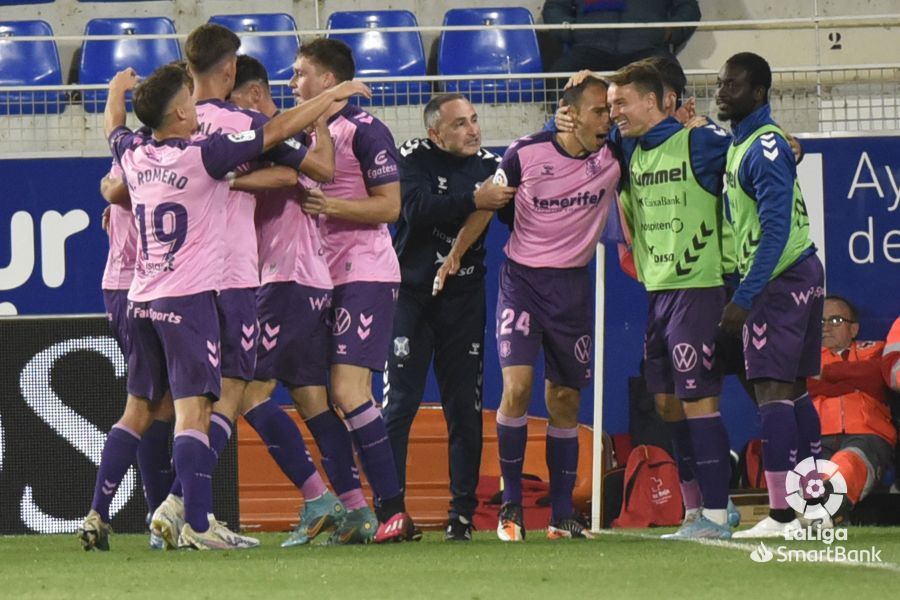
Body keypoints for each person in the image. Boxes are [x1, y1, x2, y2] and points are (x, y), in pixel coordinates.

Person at [76, 63, 370, 552]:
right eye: (189, 102)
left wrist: (114, 90)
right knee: (195, 414)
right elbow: (278, 128)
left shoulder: (133, 151)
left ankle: (97, 514)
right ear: (180, 112)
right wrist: (329, 96)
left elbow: (114, 127)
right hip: (189, 299)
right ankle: (198, 522)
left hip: (142, 299)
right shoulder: (205, 156)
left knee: (140, 409)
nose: (197, 109)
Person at [150, 25, 338, 550]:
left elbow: (119, 185)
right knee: (233, 397)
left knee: (188, 406)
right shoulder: (244, 124)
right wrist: (321, 114)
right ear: (230, 69)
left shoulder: (168, 125)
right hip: (234, 278)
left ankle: (179, 508)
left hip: (176, 284)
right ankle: (187, 511)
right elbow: (318, 170)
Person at [435, 76, 619, 542]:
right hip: (522, 283)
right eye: (599, 111)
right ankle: (510, 506)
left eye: (609, 111)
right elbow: (488, 202)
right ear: (570, 114)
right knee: (517, 388)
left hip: (571, 288)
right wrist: (456, 252)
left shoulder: (615, 155)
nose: (608, 120)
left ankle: (562, 515)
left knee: (565, 398)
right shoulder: (524, 152)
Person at [291, 38, 419, 543]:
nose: (292, 82)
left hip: (364, 270)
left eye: (300, 73)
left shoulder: (366, 129)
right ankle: (359, 511)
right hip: (318, 275)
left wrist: (331, 207)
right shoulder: (302, 130)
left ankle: (394, 510)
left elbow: (390, 207)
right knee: (318, 395)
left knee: (349, 391)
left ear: (328, 81)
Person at [604, 61, 736, 539]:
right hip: (657, 292)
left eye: (622, 103)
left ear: (654, 101)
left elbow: (747, 153)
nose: (614, 112)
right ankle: (695, 509)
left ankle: (717, 514)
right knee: (666, 403)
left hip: (699, 287)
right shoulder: (628, 148)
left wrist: (786, 142)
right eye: (611, 105)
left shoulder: (698, 141)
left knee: (698, 399)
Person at [226, 54, 350, 547]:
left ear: (253, 94)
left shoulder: (271, 133)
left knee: (249, 394)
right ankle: (357, 509)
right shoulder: (278, 133)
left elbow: (294, 176)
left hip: (286, 279)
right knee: (311, 398)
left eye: (230, 99)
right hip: (300, 278)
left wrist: (225, 181)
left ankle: (318, 498)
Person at [384, 94, 515, 542]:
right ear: (435, 134)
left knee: (464, 408)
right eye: (460, 124)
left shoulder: (492, 165)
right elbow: (415, 210)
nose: (473, 130)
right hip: (410, 296)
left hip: (463, 299)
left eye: (474, 120)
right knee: (399, 404)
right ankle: (392, 511)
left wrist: (485, 202)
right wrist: (475, 198)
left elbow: (504, 208)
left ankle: (461, 515)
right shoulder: (411, 156)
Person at [716, 52, 826, 539]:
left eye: (733, 85)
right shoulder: (750, 143)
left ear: (758, 93)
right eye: (721, 83)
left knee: (772, 392)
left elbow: (775, 230)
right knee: (795, 390)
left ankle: (782, 515)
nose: (722, 92)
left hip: (780, 278)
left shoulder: (761, 147)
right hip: (800, 272)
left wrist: (745, 295)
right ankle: (815, 507)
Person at [808, 296, 896, 523]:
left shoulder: (875, 349)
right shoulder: (804, 358)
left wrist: (827, 374)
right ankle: (826, 510)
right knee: (814, 471)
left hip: (868, 432)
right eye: (820, 321)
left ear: (854, 328)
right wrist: (854, 380)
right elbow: (806, 385)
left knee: (849, 460)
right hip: (816, 436)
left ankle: (827, 505)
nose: (826, 327)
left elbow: (876, 377)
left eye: (835, 320)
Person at [542, 0, 700, 74]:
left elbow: (689, 8)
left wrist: (669, 32)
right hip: (589, 49)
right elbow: (554, 7)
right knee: (560, 74)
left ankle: (668, 131)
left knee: (670, 75)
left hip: (647, 50)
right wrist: (571, 31)